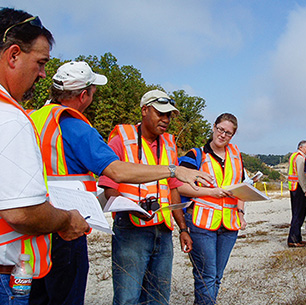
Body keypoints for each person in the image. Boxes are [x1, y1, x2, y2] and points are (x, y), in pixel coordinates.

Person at [28, 62, 212, 305]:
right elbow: (114, 172)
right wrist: (173, 170)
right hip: (70, 227)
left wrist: (183, 228)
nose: (166, 119)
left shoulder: (32, 118)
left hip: (38, 221)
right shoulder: (77, 126)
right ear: (84, 94)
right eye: (94, 92)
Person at [0, 8, 89, 304]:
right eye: (41, 62)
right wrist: (66, 219)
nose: (43, 74)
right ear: (13, 55)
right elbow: (22, 212)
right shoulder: (7, 117)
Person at [98, 89, 192, 304]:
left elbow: (173, 189)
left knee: (159, 297)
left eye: (169, 115)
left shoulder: (169, 144)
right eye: (161, 113)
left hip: (163, 231)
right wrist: (127, 209)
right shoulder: (122, 139)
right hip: (131, 230)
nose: (166, 119)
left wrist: (183, 229)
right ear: (144, 110)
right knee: (127, 297)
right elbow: (108, 185)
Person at [178, 113, 247, 305]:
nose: (223, 135)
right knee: (206, 276)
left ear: (233, 136)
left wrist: (241, 213)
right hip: (202, 224)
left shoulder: (236, 155)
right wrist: (211, 193)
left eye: (228, 133)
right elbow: (179, 186)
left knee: (217, 275)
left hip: (229, 224)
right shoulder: (196, 155)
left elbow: (240, 186)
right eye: (220, 129)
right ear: (214, 127)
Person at [287, 140, 306, 247]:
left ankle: (297, 237)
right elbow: (301, 175)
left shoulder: (293, 156)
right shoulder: (300, 158)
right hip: (299, 188)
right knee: (299, 214)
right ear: (301, 147)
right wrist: (305, 189)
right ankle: (293, 239)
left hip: (293, 187)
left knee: (297, 213)